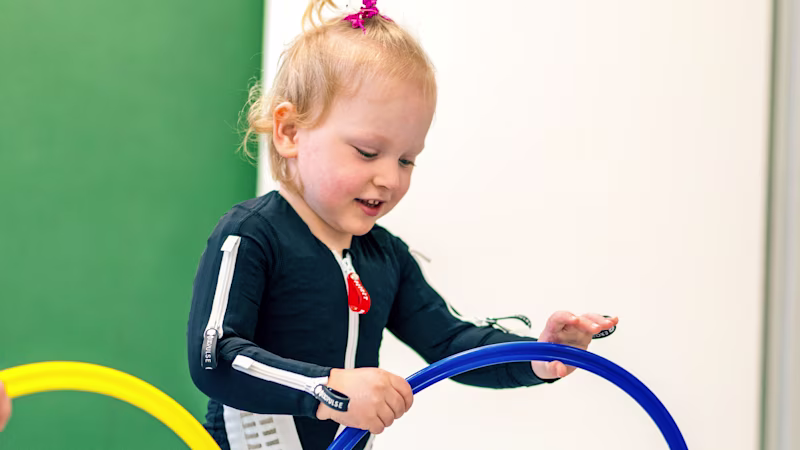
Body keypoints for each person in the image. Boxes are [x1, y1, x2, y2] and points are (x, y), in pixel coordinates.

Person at [187, 1, 619, 449]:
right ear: (291, 131)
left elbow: (450, 343)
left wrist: (538, 356)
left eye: (407, 159)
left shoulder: (385, 256)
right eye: (368, 152)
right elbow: (215, 356)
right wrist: (328, 389)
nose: (390, 178)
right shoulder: (251, 236)